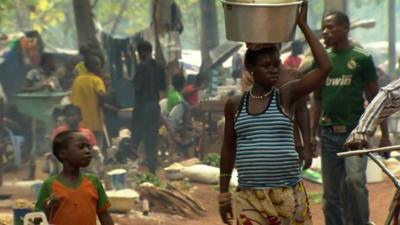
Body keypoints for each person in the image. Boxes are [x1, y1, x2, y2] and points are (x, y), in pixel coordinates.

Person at [219, 2, 332, 225]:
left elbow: (325, 67)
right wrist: (223, 194)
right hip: (250, 197)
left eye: (276, 64)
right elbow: (228, 148)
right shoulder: (235, 105)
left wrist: (302, 25)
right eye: (267, 65)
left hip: (288, 194)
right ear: (250, 69)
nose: (274, 69)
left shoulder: (285, 95)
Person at [310, 11, 390, 225]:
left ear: (345, 29)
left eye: (330, 27)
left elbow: (376, 99)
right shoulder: (321, 60)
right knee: (331, 195)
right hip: (328, 135)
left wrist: (385, 135)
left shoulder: (361, 59)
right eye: (323, 27)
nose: (325, 32)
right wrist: (311, 134)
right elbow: (316, 99)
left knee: (354, 182)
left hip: (356, 134)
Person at [35, 130, 114, 225]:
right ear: (63, 154)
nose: (88, 151)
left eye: (88, 147)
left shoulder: (94, 181)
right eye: (81, 147)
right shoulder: (50, 184)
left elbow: (104, 214)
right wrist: (49, 208)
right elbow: (37, 220)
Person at [131, 40, 166, 173]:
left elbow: (137, 87)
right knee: (152, 137)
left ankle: (133, 167)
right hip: (154, 105)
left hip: (142, 106)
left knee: (137, 137)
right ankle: (152, 168)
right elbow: (163, 87)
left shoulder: (141, 66)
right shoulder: (160, 66)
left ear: (141, 52)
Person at [70, 55, 106, 150]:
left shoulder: (77, 80)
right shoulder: (97, 80)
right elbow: (101, 94)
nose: (100, 66)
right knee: (96, 146)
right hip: (94, 120)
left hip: (79, 121)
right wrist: (103, 106)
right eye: (98, 64)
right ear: (92, 66)